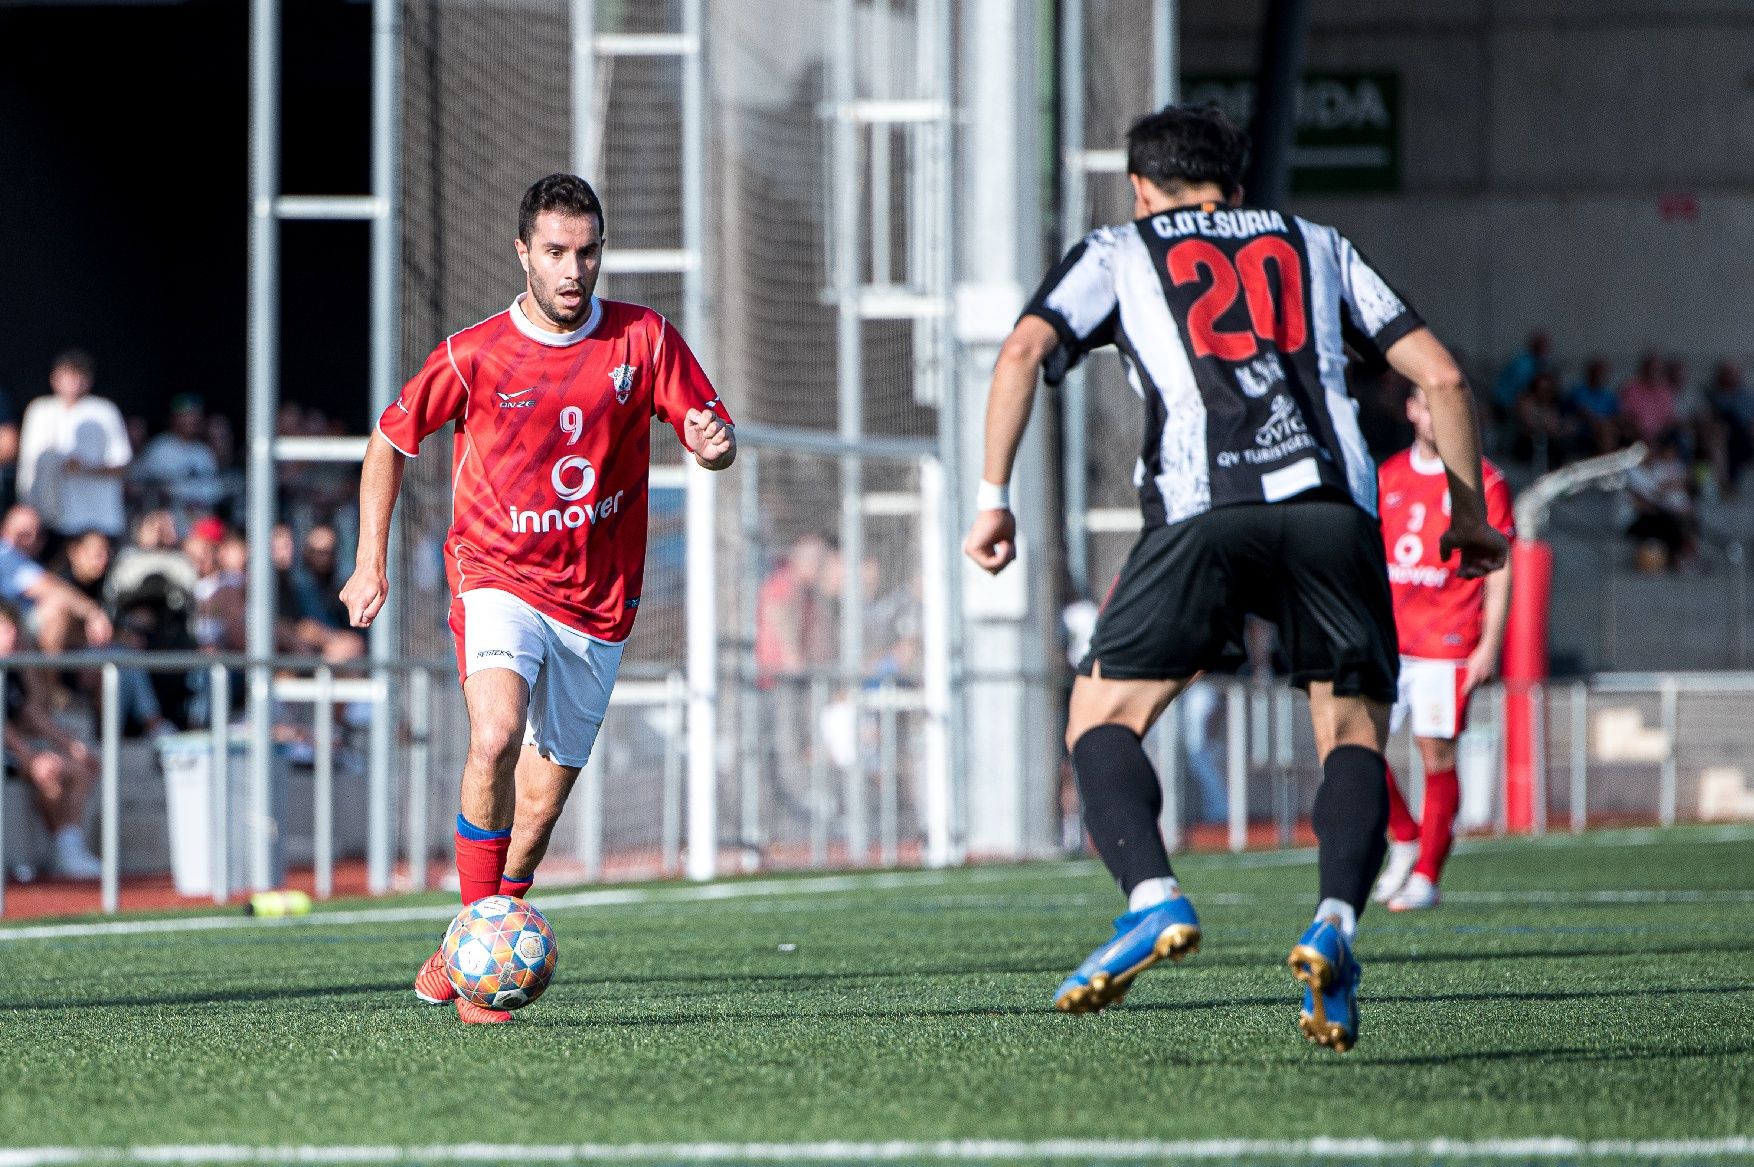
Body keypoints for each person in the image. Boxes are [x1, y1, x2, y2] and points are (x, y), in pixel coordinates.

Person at [962, 103, 1506, 1052]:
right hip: (1334, 510)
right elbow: (1445, 378)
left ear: (1141, 187)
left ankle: (1152, 897)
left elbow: (1022, 352)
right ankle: (1335, 920)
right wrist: (1468, 513)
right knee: (1353, 736)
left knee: (1102, 721)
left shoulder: (1118, 249)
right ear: (1240, 186)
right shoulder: (1317, 243)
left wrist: (992, 496)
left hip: (1202, 514)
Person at [340, 174, 735, 1025]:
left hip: (597, 605)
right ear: (523, 252)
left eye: (587, 251)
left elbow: (712, 436)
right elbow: (389, 438)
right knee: (492, 735)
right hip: (496, 577)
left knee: (544, 800)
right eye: (555, 252)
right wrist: (370, 559)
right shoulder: (474, 352)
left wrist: (713, 444)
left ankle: (477, 931)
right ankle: (477, 942)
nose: (573, 269)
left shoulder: (645, 339)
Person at [1370, 386, 1515, 911]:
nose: (1436, 416)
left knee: (1436, 754)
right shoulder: (1386, 476)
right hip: (1390, 639)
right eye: (1426, 405)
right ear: (1411, 409)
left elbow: (1500, 566)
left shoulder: (1484, 480)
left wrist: (1488, 645)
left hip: (1447, 641)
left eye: (1446, 406)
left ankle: (1428, 874)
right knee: (1357, 746)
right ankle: (1404, 835)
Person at [0, 601, 104, 879]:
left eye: (15, 630)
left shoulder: (15, 668)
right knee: (50, 771)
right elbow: (4, 727)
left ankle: (69, 849)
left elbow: (33, 715)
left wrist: (73, 746)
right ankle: (66, 852)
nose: (13, 637)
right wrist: (30, 758)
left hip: (17, 750)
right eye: (5, 630)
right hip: (10, 752)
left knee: (82, 768)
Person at [16, 350, 133, 547]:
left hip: (96, 520)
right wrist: (26, 508)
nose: (73, 382)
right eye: (67, 375)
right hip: (48, 520)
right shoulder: (39, 410)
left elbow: (122, 464)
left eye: (79, 375)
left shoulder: (104, 410)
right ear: (54, 378)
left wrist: (85, 469)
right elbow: (27, 465)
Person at [130, 394, 224, 527]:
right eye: (186, 415)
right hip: (166, 523)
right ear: (174, 418)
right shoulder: (159, 447)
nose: (191, 420)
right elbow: (137, 483)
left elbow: (214, 490)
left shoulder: (204, 452)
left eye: (194, 415)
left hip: (200, 523)